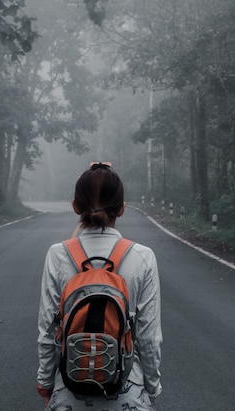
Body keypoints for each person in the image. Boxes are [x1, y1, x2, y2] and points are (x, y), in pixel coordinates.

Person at [36, 162, 163, 410]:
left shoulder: (57, 255)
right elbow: (149, 338)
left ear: (75, 206)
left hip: (69, 392)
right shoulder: (143, 257)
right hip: (127, 392)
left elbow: (47, 332)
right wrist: (152, 388)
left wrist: (45, 384)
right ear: (122, 209)